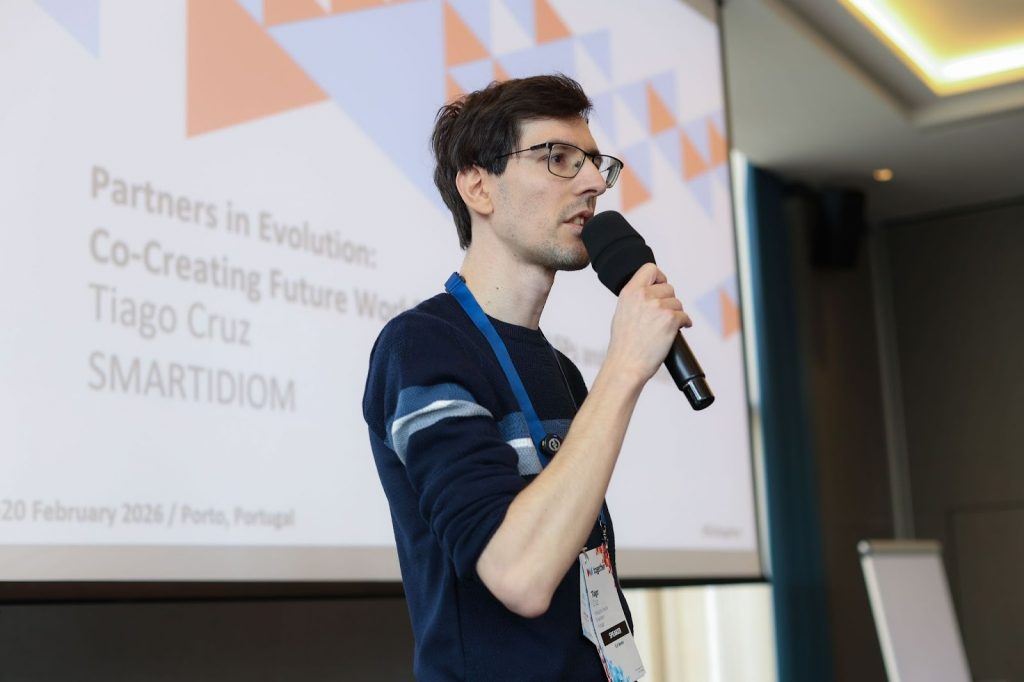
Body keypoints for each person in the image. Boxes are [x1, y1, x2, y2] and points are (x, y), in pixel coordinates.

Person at [362, 74, 691, 680]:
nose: (594, 184)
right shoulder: (424, 346)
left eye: (595, 164)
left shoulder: (560, 369)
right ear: (477, 186)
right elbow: (519, 576)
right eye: (558, 158)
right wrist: (624, 366)